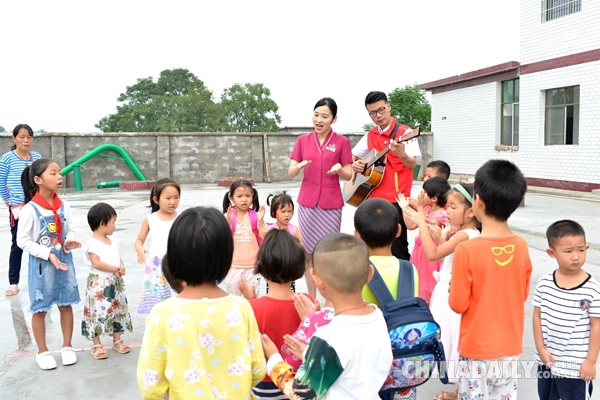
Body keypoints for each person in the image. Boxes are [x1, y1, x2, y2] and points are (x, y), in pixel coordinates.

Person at [137, 207, 265, 399]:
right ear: (226, 256)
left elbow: (150, 383)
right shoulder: (241, 307)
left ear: (175, 257)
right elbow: (257, 370)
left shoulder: (162, 313)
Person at [261, 233, 392, 399]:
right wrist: (310, 353)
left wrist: (274, 359)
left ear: (316, 280)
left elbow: (300, 393)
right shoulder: (377, 315)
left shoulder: (328, 337)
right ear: (370, 273)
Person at [449, 159, 532, 400]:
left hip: (477, 348)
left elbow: (457, 304)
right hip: (510, 347)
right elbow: (522, 293)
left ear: (478, 203)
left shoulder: (467, 250)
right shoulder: (522, 245)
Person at [401, 182, 480, 400]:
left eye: (453, 207)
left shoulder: (465, 235)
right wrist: (441, 238)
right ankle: (461, 391)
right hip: (447, 290)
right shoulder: (464, 234)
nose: (448, 211)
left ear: (471, 211)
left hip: (451, 296)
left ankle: (463, 391)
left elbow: (433, 254)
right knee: (452, 342)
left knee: (453, 342)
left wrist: (422, 225)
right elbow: (448, 257)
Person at [17, 159, 81, 370]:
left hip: (64, 262)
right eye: (53, 174)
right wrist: (47, 253)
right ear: (38, 180)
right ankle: (42, 351)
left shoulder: (65, 205)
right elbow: (22, 240)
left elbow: (70, 229)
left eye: (60, 173)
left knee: (66, 304)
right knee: (40, 309)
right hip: (42, 268)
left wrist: (69, 241)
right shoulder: (30, 209)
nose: (59, 177)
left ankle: (67, 346)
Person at [354, 198, 419, 400]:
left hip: (369, 365)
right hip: (404, 365)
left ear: (357, 236)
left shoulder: (356, 272)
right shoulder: (410, 269)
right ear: (398, 231)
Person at [288, 97, 353, 297]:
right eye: (316, 115)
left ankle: (330, 299)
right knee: (308, 254)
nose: (319, 120)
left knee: (327, 254)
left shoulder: (342, 142)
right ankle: (311, 298)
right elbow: (291, 172)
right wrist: (298, 167)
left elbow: (350, 174)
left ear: (334, 119)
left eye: (325, 116)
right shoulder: (303, 140)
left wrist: (339, 170)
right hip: (308, 203)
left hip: (331, 205)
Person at [242, 229, 312, 399]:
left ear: (262, 266)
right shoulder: (308, 303)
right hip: (303, 382)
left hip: (264, 384)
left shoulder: (250, 308)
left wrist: (251, 302)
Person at [533, 220, 599, 400]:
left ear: (587, 248)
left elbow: (596, 326)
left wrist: (591, 362)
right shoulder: (544, 283)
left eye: (581, 250)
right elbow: (537, 317)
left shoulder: (592, 288)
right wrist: (541, 349)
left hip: (576, 367)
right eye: (568, 251)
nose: (576, 256)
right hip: (547, 362)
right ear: (551, 253)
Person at [352, 91, 422, 261]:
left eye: (381, 109)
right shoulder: (370, 135)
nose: (378, 115)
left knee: (398, 250)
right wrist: (356, 164)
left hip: (396, 202)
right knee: (371, 250)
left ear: (389, 107)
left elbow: (412, 164)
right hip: (372, 200)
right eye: (373, 113)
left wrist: (401, 153)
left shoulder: (406, 133)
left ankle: (402, 285)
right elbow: (353, 155)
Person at [81, 202, 133, 360]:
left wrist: (121, 266)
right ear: (102, 223)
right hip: (100, 284)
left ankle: (117, 340)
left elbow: (118, 257)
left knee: (116, 310)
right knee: (97, 312)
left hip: (114, 282)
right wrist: (114, 269)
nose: (114, 225)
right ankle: (96, 343)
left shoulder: (113, 241)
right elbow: (96, 263)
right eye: (113, 222)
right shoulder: (92, 244)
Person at [1, 124, 42, 296]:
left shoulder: (37, 157)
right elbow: (1, 183)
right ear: (14, 138)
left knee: (41, 243)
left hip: (37, 207)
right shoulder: (7, 159)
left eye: (29, 137)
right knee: (17, 245)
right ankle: (13, 283)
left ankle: (41, 279)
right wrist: (8, 202)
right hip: (18, 208)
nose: (26, 140)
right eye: (22, 137)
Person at [401, 177, 450, 303]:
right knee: (417, 283)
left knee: (428, 287)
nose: (420, 195)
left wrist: (419, 208)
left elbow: (426, 226)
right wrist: (405, 208)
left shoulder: (442, 215)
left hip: (430, 257)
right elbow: (411, 225)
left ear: (434, 198)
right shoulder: (427, 210)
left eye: (424, 193)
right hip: (419, 253)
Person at [135, 178, 180, 314]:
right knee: (159, 303)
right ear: (156, 200)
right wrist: (140, 249)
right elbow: (139, 240)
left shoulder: (182, 218)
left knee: (176, 300)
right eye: (168, 198)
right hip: (156, 266)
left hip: (176, 265)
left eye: (176, 197)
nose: (173, 202)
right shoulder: (150, 219)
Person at [222, 179, 268, 296]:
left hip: (253, 266)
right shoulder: (228, 216)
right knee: (234, 298)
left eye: (248, 195)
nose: (244, 199)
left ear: (252, 197)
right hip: (233, 266)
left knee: (253, 298)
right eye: (239, 196)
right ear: (232, 197)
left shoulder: (256, 217)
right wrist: (227, 223)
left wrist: (261, 222)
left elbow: (266, 236)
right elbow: (221, 238)